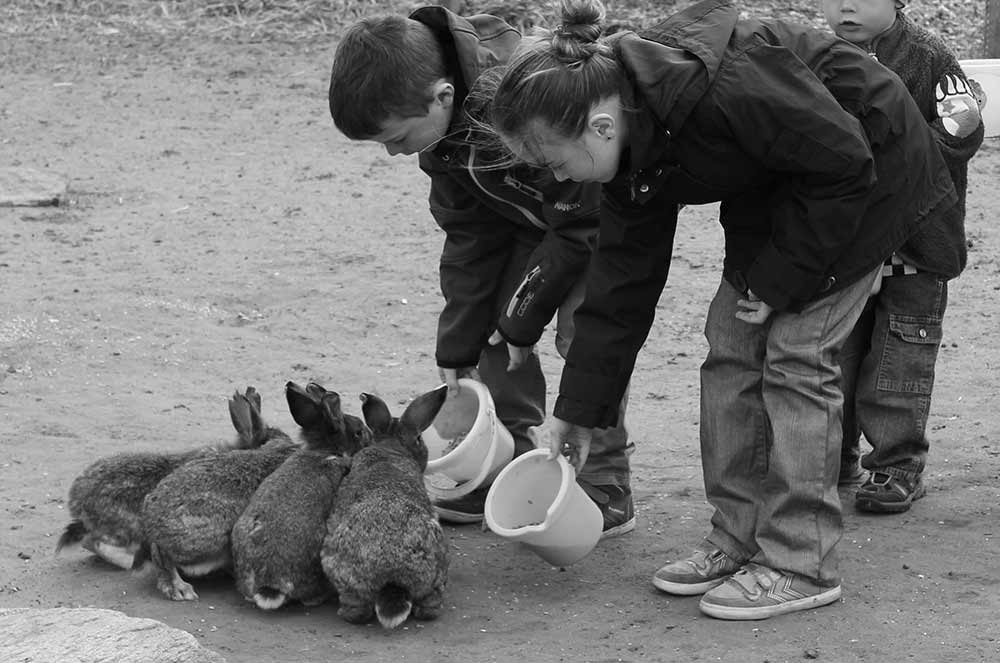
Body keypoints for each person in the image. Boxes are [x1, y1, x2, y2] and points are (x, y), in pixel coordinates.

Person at [487, 0, 956, 619]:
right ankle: (738, 535)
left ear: (599, 127)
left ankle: (800, 562)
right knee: (731, 346)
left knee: (796, 354)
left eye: (554, 162)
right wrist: (578, 413)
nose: (558, 179)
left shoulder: (727, 88)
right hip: (780, 187)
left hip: (866, 174)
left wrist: (781, 283)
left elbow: (844, 164)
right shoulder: (628, 141)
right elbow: (620, 286)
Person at [327, 5, 636, 537]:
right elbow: (469, 238)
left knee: (583, 332)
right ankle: (507, 461)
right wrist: (458, 344)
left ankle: (604, 480)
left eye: (396, 138)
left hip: (599, 218)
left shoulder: (525, 97)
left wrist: (524, 318)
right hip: (533, 225)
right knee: (492, 328)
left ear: (442, 97)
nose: (394, 153)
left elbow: (581, 223)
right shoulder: (438, 132)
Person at [823, 0, 984, 511]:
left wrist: (897, 159)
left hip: (918, 239)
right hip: (847, 244)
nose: (846, 6)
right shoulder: (815, 57)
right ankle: (834, 458)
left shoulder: (928, 56)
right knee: (837, 356)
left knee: (900, 359)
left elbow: (964, 127)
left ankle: (896, 465)